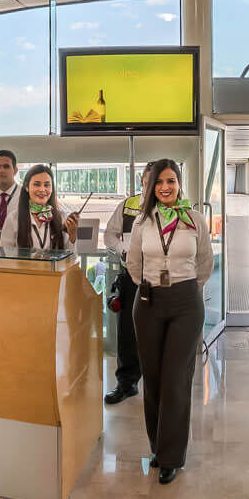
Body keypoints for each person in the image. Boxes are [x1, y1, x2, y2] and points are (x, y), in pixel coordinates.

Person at [126, 158, 212, 486]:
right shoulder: (142, 222)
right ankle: (157, 447)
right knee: (155, 378)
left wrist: (185, 286)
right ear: (150, 187)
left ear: (179, 184)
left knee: (176, 379)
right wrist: (151, 284)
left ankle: (172, 457)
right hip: (148, 302)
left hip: (186, 304)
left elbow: (205, 263)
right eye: (159, 181)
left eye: (171, 181)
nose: (165, 187)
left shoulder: (195, 220)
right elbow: (134, 264)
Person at [102, 164, 154, 406]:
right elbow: (109, 236)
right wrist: (124, 250)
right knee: (127, 333)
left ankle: (159, 385)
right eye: (147, 181)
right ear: (141, 181)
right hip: (131, 278)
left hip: (162, 281)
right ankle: (126, 384)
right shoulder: (127, 206)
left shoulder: (173, 208)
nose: (152, 186)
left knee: (160, 334)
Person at [0, 164, 79, 252]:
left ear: (52, 189)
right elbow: (4, 255)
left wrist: (72, 236)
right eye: (37, 184)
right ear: (27, 187)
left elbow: (71, 259)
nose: (42, 189)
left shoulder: (61, 217)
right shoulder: (13, 219)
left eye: (46, 185)